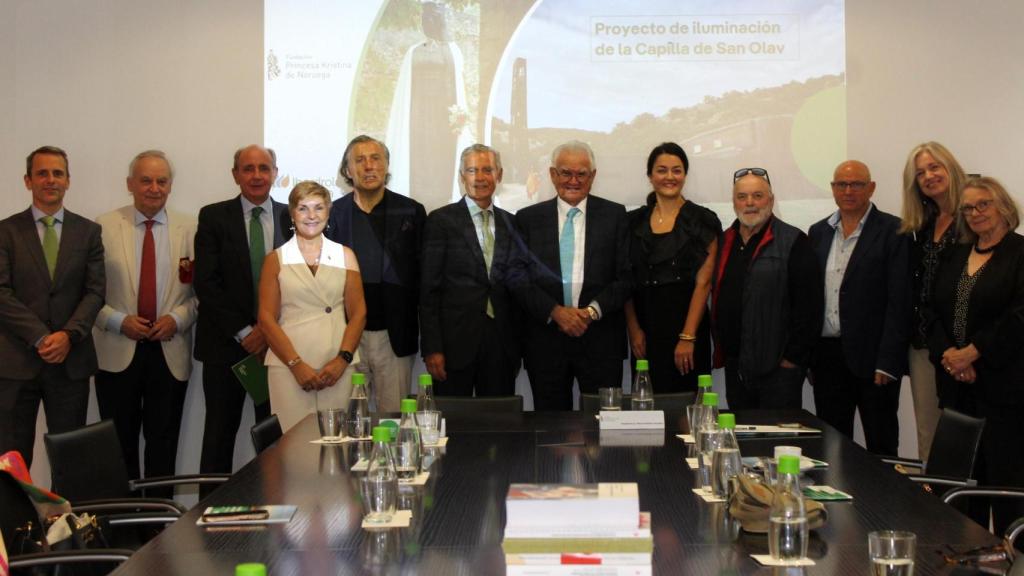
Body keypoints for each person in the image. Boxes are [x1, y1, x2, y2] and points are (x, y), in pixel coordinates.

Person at [93, 151, 195, 495]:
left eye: (162, 181)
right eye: (146, 180)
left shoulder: (190, 227)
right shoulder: (102, 226)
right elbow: (87, 292)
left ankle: (158, 526)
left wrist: (177, 319)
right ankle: (124, 524)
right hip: (117, 351)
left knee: (163, 443)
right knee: (118, 446)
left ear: (170, 185)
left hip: (169, 350)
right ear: (130, 184)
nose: (154, 188)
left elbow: (203, 294)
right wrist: (118, 321)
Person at [928, 176, 1024, 536]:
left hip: (1004, 390)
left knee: (1005, 483)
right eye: (968, 208)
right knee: (959, 486)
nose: (975, 213)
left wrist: (974, 352)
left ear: (1003, 206)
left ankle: (1013, 562)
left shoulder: (1020, 253)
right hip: (958, 386)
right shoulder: (955, 254)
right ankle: (965, 560)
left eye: (983, 204)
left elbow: (1019, 317)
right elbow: (933, 310)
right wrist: (951, 356)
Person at [0, 146, 104, 467]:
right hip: (16, 363)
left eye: (57, 173)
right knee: (13, 459)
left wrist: (67, 336)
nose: (50, 180)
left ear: (68, 181)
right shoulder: (5, 232)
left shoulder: (88, 232)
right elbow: (1, 292)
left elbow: (96, 292)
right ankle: (14, 520)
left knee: (70, 459)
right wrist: (42, 338)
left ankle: (66, 519)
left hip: (70, 361)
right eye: (42, 173)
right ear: (28, 181)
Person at [194, 145, 291, 486]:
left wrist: (266, 331)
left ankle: (277, 517)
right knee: (219, 436)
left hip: (276, 348)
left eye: (264, 168)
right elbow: (206, 282)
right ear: (235, 174)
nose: (256, 176)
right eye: (248, 169)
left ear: (275, 173)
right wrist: (244, 330)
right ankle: (207, 523)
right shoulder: (213, 217)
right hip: (225, 348)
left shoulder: (290, 218)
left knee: (277, 440)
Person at [514, 141, 631, 410]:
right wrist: (555, 311)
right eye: (566, 173)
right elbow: (518, 277)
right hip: (545, 342)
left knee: (603, 428)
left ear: (593, 177)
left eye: (582, 174)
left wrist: (589, 312)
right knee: (551, 433)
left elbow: (626, 277)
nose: (573, 181)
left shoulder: (615, 216)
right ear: (553, 174)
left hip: (600, 339)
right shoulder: (528, 218)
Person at [808, 160, 910, 456]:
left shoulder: (894, 231)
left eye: (857, 184)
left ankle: (883, 502)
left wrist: (889, 361)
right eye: (842, 184)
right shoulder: (818, 232)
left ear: (871, 188)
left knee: (881, 444)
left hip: (874, 359)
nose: (848, 190)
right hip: (828, 358)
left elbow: (899, 301)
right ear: (833, 189)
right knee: (832, 447)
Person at [326, 135, 426, 413]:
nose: (368, 166)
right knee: (348, 425)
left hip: (393, 336)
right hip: (344, 337)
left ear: (386, 166)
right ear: (347, 170)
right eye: (359, 160)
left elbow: (423, 279)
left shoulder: (412, 212)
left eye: (375, 158)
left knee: (393, 424)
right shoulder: (333, 214)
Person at [258, 181, 366, 431]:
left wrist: (342, 359)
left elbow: (358, 313)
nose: (311, 216)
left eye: (318, 208)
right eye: (303, 208)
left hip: (336, 366)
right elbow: (266, 318)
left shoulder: (345, 255)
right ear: (292, 214)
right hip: (289, 368)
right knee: (292, 449)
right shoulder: (276, 259)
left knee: (336, 446)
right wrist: (296, 365)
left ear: (328, 212)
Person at [711, 168, 822, 409]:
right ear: (733, 202)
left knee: (779, 443)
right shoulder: (724, 241)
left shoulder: (794, 242)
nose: (749, 203)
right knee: (741, 442)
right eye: (742, 197)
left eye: (757, 195)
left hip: (778, 371)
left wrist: (792, 360)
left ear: (771, 200)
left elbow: (810, 307)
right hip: (736, 366)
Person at [420, 144, 525, 396]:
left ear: (499, 175)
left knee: (499, 424)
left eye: (487, 170)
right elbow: (428, 290)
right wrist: (432, 348)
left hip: (501, 345)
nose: (480, 178)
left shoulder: (512, 223)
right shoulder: (440, 221)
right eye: (472, 170)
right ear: (461, 176)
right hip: (453, 345)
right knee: (453, 427)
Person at [624, 142, 719, 393]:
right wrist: (634, 330)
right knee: (648, 412)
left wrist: (687, 337)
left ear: (685, 175)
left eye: (676, 170)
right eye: (662, 170)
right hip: (645, 331)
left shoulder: (703, 220)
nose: (669, 177)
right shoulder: (632, 222)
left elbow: (703, 283)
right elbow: (625, 280)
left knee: (688, 412)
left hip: (688, 326)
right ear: (650, 176)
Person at [899, 142, 968, 462]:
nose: (928, 176)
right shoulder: (921, 225)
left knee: (967, 437)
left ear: (950, 168)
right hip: (925, 344)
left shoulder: (974, 218)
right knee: (929, 433)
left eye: (934, 167)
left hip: (966, 348)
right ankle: (935, 509)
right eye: (921, 173)